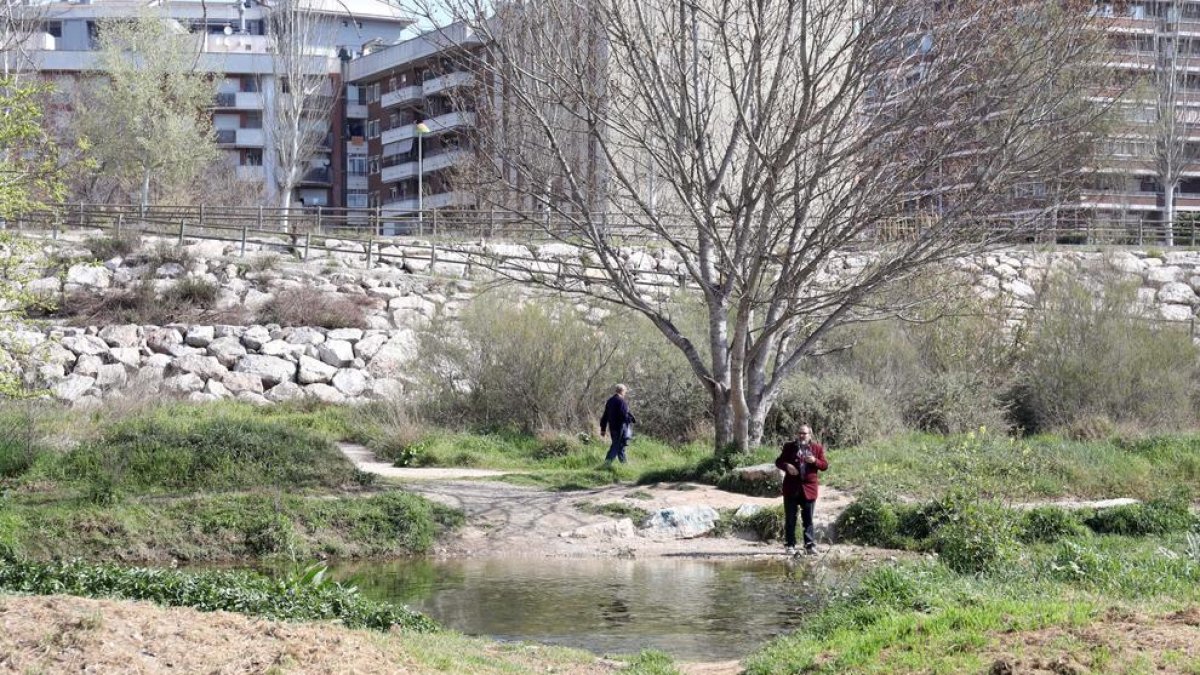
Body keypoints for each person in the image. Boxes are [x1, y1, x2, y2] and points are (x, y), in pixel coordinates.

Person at [774, 424, 829, 556]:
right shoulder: (789, 447)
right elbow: (778, 462)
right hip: (791, 488)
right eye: (799, 433)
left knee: (808, 519)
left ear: (810, 435)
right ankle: (790, 545)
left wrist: (815, 461)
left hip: (809, 489)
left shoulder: (817, 448)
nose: (801, 435)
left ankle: (809, 545)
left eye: (804, 433)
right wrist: (787, 466)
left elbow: (824, 465)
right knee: (790, 519)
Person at [599, 384, 637, 464]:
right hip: (620, 428)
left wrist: (603, 429)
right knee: (616, 446)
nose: (625, 393)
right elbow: (624, 415)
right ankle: (606, 464)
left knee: (620, 447)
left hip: (612, 428)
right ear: (622, 391)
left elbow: (605, 416)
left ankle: (624, 465)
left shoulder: (610, 401)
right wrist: (631, 419)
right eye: (625, 391)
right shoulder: (621, 401)